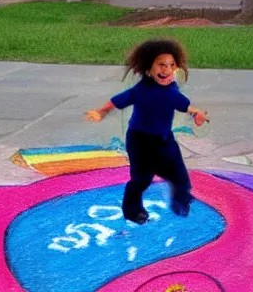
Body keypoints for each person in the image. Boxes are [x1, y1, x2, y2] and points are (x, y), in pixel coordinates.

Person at [85, 39, 208, 225]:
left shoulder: (171, 89)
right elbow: (118, 101)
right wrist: (100, 112)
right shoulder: (141, 90)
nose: (167, 70)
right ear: (148, 68)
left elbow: (184, 104)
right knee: (142, 179)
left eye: (171, 65)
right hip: (140, 141)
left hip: (164, 139)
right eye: (161, 65)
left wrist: (196, 114)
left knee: (179, 175)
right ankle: (133, 211)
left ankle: (181, 202)